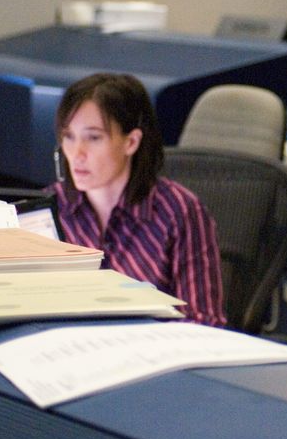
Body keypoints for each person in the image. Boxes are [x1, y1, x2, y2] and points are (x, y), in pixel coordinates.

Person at [49, 73, 227, 327]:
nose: (77, 154)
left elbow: (204, 322)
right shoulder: (51, 208)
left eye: (93, 137)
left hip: (156, 356)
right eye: (69, 136)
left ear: (131, 142)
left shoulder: (179, 212)